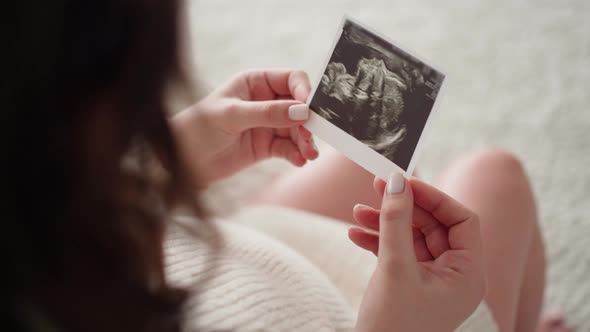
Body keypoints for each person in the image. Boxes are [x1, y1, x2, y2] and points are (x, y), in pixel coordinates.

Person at [4, 1, 570, 332]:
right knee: (496, 178)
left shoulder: (33, 221)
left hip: (234, 259)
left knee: (356, 168)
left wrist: (163, 171)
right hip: (344, 318)